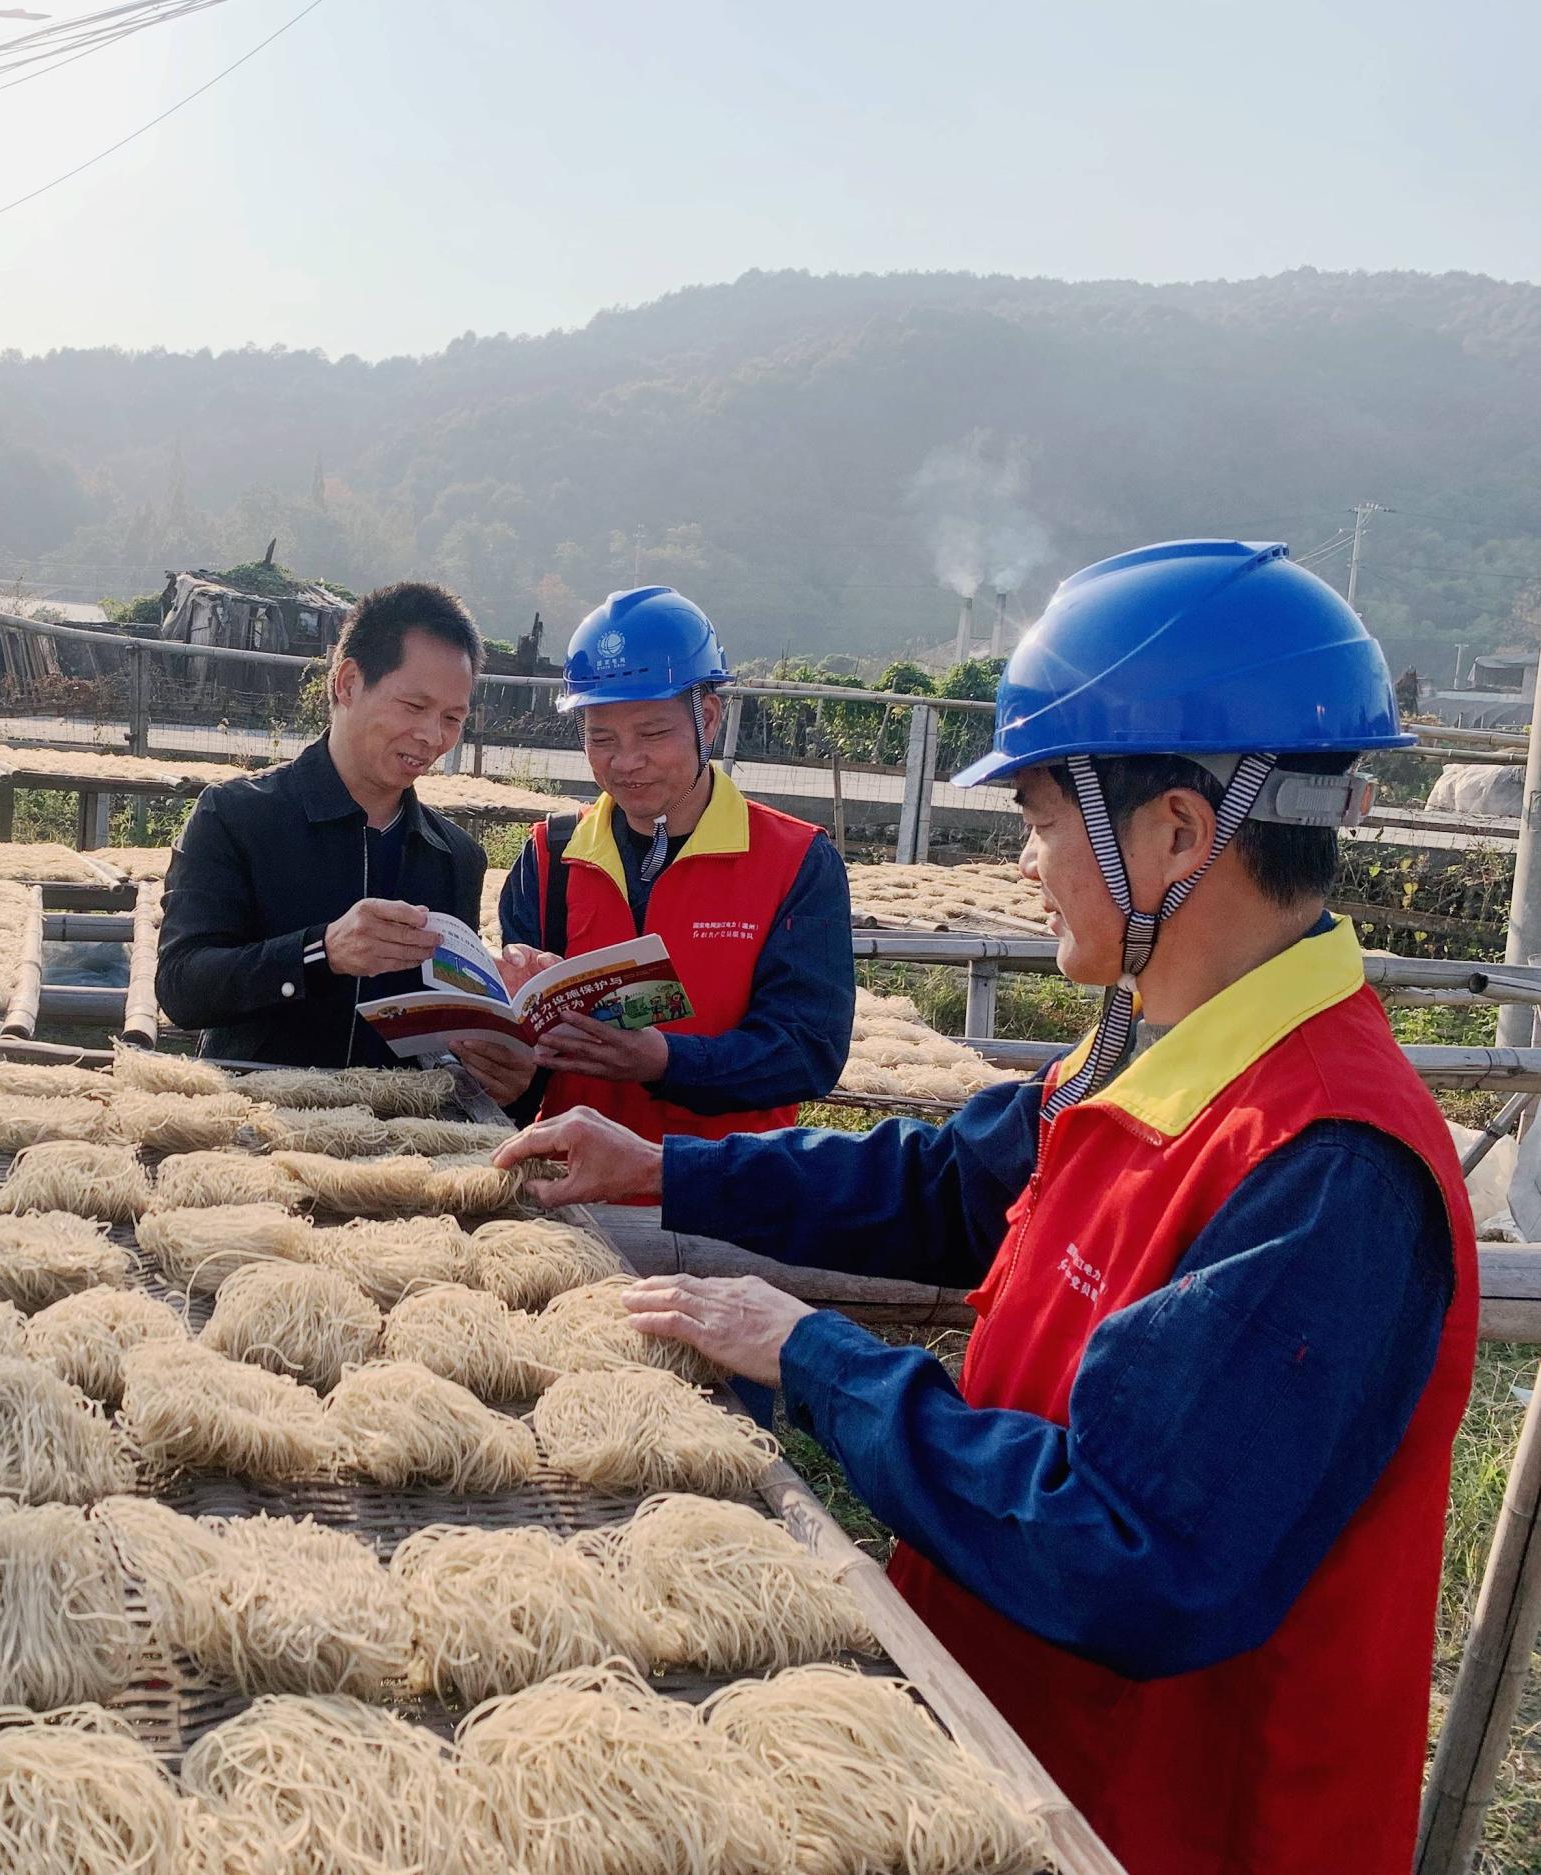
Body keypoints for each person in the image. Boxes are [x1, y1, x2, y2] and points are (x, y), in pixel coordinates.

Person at [494, 540, 1474, 1875]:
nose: (1024, 862)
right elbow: (940, 1182)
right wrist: (659, 1168)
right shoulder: (1145, 1047)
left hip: (1168, 1828)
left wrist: (814, 1355)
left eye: (1041, 819)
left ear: (1177, 834)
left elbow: (1128, 1554)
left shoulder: (1330, 1165)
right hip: (1023, 1767)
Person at [455, 587, 851, 1147]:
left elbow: (809, 1050)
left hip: (726, 1187)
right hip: (569, 1182)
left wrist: (667, 1061)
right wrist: (511, 1073)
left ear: (707, 719)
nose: (626, 761)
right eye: (601, 738)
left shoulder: (795, 860)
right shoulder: (551, 856)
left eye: (653, 733)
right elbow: (534, 1060)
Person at [156, 580, 486, 1067]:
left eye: (453, 718)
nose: (432, 736)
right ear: (348, 683)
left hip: (404, 1115)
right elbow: (181, 987)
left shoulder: (455, 856)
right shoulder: (235, 815)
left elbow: (450, 1025)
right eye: (415, 707)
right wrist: (320, 952)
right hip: (252, 1111)